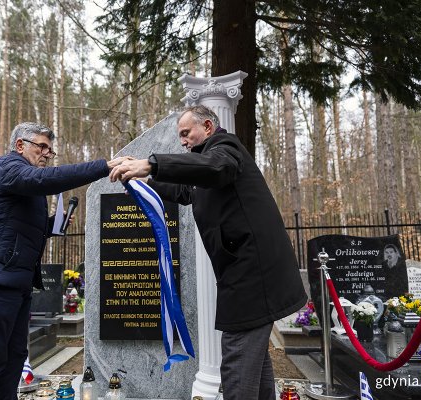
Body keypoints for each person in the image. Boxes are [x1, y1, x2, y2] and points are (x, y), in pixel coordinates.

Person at [110, 105, 307, 400]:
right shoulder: (205, 164)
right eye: (180, 136)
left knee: (238, 361)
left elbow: (216, 168)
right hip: (246, 274)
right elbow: (188, 192)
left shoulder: (224, 148)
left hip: (254, 277)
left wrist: (151, 164)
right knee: (254, 361)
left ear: (208, 127)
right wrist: (147, 183)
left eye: (186, 133)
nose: (183, 141)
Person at [0, 122, 130, 400]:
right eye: (42, 146)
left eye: (50, 149)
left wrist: (51, 225)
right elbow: (43, 180)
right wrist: (104, 166)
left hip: (14, 280)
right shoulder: (6, 167)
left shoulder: (24, 179)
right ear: (20, 145)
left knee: (14, 357)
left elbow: (14, 225)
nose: (47, 153)